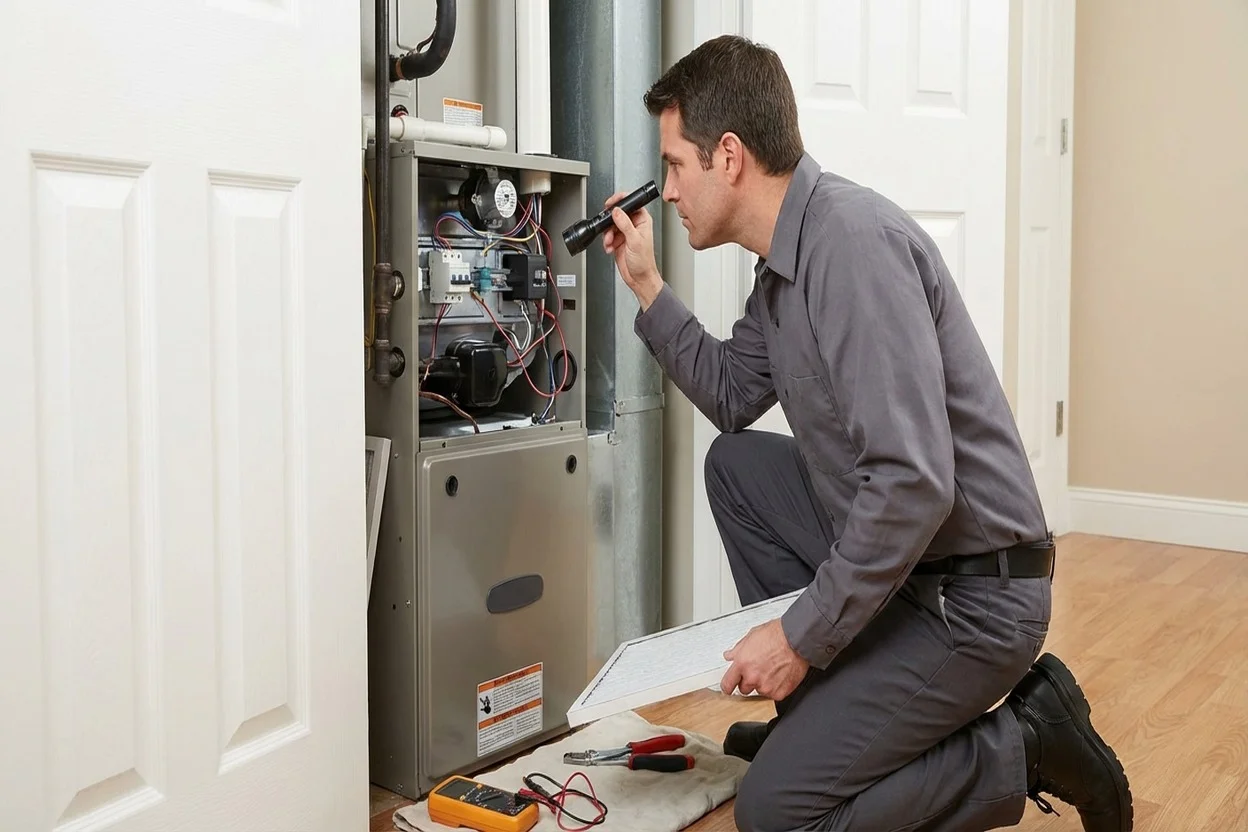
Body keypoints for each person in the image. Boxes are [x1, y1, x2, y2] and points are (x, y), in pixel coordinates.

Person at [600, 34, 1132, 832]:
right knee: (738, 465)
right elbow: (734, 397)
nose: (668, 192)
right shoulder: (784, 268)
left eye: (677, 165)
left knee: (778, 812)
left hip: (975, 596)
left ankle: (1028, 741)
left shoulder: (850, 243)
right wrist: (647, 285)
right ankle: (820, 720)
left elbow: (916, 483)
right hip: (910, 572)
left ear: (731, 157)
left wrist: (798, 638)